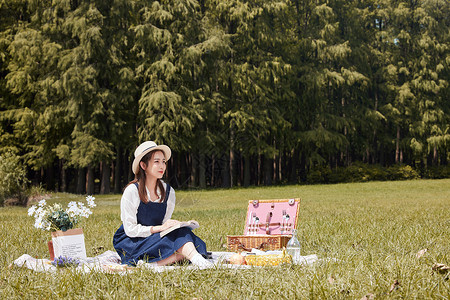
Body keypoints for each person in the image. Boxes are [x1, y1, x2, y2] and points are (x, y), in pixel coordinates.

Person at [113, 141, 213, 268]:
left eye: (164, 161)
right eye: (156, 161)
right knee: (184, 241)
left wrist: (171, 225)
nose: (162, 166)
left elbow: (164, 224)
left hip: (155, 237)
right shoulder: (132, 191)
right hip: (133, 241)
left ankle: (154, 264)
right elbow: (130, 230)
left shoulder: (168, 192)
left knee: (185, 235)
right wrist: (159, 229)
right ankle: (196, 259)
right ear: (143, 165)